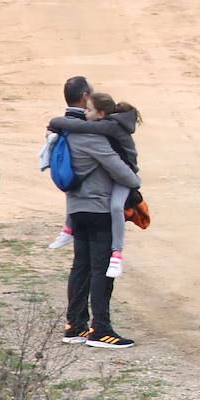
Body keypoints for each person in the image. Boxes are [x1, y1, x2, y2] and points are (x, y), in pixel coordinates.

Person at [55, 77, 142, 348]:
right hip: (98, 208)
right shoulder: (92, 137)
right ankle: (101, 329)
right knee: (100, 269)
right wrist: (135, 181)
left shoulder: (66, 132)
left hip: (77, 208)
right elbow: (123, 173)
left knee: (80, 266)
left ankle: (75, 325)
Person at [50, 92, 142, 279]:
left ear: (101, 114)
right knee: (73, 190)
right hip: (116, 173)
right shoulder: (110, 123)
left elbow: (80, 125)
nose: (85, 113)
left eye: (89, 110)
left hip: (125, 175)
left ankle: (117, 253)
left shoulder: (111, 125)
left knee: (116, 207)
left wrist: (56, 122)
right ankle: (68, 230)